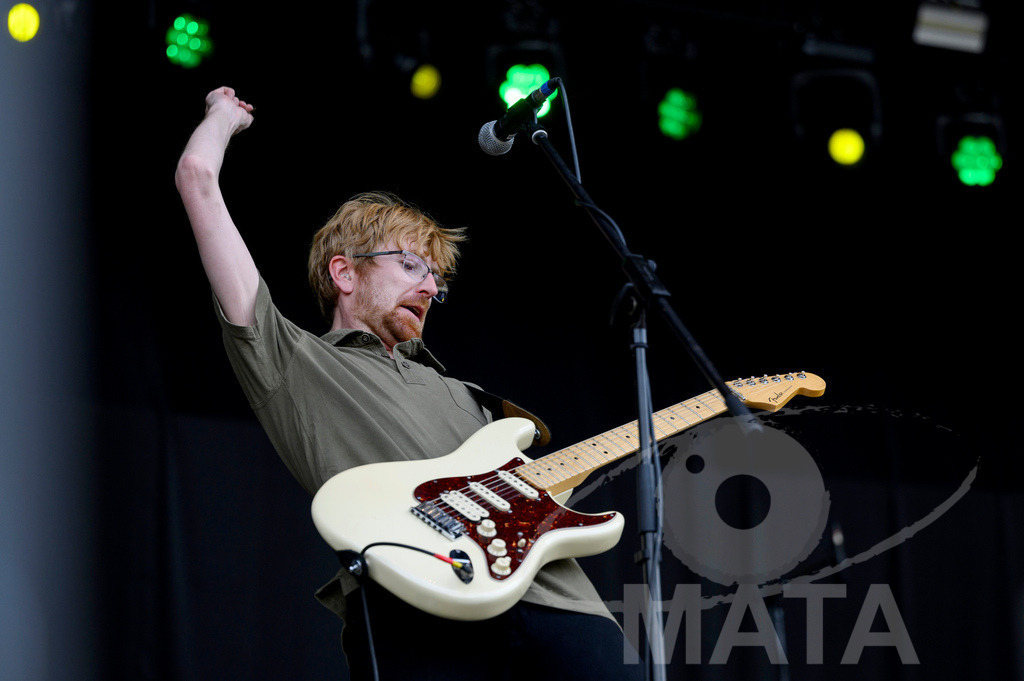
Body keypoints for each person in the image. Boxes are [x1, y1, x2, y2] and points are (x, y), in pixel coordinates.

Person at [175, 86, 643, 681]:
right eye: (412, 265)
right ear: (343, 272)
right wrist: (220, 119)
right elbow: (197, 177)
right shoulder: (293, 361)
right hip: (419, 604)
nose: (429, 288)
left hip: (562, 605)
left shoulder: (471, 398)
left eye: (437, 279)